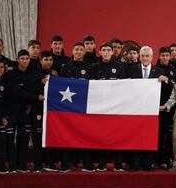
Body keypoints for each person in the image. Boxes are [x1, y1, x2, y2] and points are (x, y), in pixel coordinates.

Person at [5, 50, 44, 173]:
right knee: (10, 140)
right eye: (22, 58)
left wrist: (31, 102)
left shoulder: (32, 74)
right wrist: (36, 97)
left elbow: (33, 89)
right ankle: (12, 166)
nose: (25, 61)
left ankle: (21, 165)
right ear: (18, 59)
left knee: (24, 140)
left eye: (27, 58)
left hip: (25, 112)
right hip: (11, 111)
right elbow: (18, 92)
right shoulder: (11, 74)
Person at [129, 46, 167, 171]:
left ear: (152, 57)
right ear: (139, 57)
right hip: (136, 110)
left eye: (147, 56)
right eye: (143, 56)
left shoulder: (159, 71)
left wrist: (165, 80)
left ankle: (148, 161)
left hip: (152, 111)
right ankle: (135, 161)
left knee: (150, 136)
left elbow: (168, 91)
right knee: (135, 135)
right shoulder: (132, 70)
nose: (145, 58)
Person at [60, 42, 94, 172]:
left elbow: (93, 86)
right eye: (77, 49)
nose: (79, 51)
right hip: (68, 107)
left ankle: (86, 163)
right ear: (73, 51)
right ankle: (65, 163)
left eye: (81, 49)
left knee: (85, 135)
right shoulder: (66, 67)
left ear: (85, 52)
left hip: (84, 106)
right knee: (66, 135)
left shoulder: (90, 67)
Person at [92, 42, 125, 171]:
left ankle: (117, 164)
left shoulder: (120, 66)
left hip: (116, 107)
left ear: (112, 52)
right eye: (104, 50)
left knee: (117, 136)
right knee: (102, 136)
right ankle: (102, 164)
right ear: (100, 52)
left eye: (108, 50)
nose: (106, 52)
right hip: (100, 107)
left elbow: (125, 85)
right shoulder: (94, 67)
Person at [26, 51, 58, 172]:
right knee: (38, 137)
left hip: (52, 111)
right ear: (40, 60)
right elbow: (28, 90)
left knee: (51, 136)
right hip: (37, 109)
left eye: (50, 60)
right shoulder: (34, 74)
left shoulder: (55, 74)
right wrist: (41, 83)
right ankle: (37, 164)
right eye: (46, 60)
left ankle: (50, 163)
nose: (48, 62)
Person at [155, 47, 176, 169]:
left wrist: (167, 80)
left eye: (167, 55)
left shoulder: (174, 70)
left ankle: (167, 160)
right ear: (159, 56)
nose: (164, 57)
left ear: (170, 56)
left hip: (169, 109)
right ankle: (158, 160)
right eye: (162, 55)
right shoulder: (154, 69)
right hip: (156, 108)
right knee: (158, 136)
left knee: (169, 137)